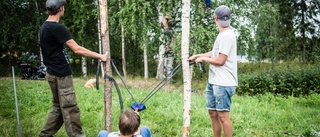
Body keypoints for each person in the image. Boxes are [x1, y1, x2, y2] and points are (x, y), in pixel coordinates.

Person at [38, 0, 107, 136]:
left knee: (58, 108)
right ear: (61, 9)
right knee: (70, 109)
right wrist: (100, 56)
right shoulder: (57, 28)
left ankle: (44, 135)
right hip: (62, 76)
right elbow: (77, 49)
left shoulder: (43, 27)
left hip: (51, 74)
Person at [188, 5, 237, 137]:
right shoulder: (222, 34)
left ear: (215, 18)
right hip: (214, 81)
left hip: (223, 82)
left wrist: (203, 59)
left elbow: (221, 60)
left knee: (223, 115)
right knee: (213, 113)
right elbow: (216, 53)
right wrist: (198, 55)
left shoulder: (227, 35)